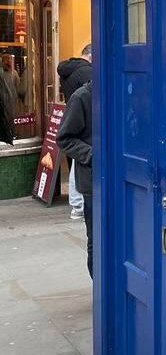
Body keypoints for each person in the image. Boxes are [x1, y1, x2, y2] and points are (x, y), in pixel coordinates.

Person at [56, 80, 93, 279]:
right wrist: (93, 155)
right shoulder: (81, 97)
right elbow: (64, 138)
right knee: (96, 240)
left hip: (123, 181)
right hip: (92, 183)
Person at [57, 44, 92, 220]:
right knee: (80, 165)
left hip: (73, 116)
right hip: (84, 118)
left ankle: (76, 205)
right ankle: (78, 205)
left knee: (76, 166)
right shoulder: (86, 74)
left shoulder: (67, 70)